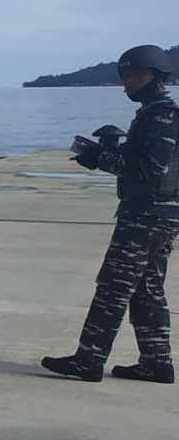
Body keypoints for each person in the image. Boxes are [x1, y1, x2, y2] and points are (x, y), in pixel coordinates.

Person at [45, 44, 179, 384]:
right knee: (147, 288)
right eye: (124, 76)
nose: (127, 84)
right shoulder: (158, 112)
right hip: (161, 215)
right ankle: (156, 362)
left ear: (154, 75)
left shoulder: (160, 115)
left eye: (133, 75)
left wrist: (98, 158)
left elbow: (150, 170)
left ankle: (88, 360)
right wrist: (110, 154)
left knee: (112, 288)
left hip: (146, 216)